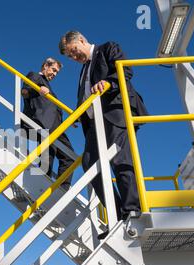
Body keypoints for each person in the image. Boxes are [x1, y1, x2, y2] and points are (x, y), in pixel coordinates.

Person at [59, 31, 149, 237]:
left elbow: (124, 70)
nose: (74, 57)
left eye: (73, 52)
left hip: (114, 114)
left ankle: (132, 210)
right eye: (70, 56)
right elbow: (85, 96)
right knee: (89, 164)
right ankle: (117, 215)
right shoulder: (83, 70)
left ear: (81, 40)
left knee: (120, 159)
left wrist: (108, 83)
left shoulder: (108, 47)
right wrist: (78, 114)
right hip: (94, 124)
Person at [21, 58, 75, 191]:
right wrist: (38, 89)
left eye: (57, 72)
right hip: (43, 124)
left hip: (56, 127)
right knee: (47, 161)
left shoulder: (49, 86)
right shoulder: (35, 76)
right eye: (53, 70)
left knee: (69, 157)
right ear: (45, 66)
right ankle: (41, 191)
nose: (55, 74)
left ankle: (62, 190)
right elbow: (25, 92)